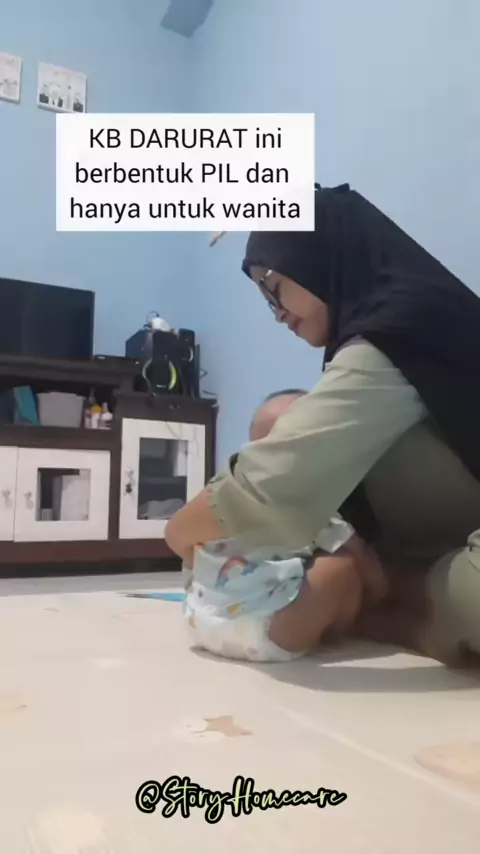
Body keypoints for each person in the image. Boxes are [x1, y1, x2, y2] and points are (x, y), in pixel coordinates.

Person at [166, 184, 480, 666]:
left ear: (312, 252)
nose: (277, 314)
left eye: (273, 288)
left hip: (453, 541)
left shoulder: (399, 326)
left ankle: (381, 604)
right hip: (428, 533)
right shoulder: (370, 331)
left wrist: (176, 535)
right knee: (276, 419)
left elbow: (268, 484)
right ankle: (378, 590)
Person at [184, 390, 386, 662]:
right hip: (269, 632)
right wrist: (380, 593)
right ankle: (333, 632)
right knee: (344, 565)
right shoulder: (311, 505)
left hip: (198, 620)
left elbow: (190, 555)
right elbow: (363, 559)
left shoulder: (223, 498)